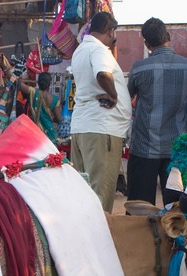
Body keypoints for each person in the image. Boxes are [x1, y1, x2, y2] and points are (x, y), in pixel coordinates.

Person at [126, 17, 187, 206]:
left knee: (140, 207)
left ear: (147, 44)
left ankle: (141, 236)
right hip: (177, 149)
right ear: (168, 36)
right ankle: (175, 236)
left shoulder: (139, 68)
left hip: (144, 146)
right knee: (176, 207)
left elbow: (129, 96)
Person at [70, 11, 132, 212]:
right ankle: (99, 241)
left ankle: (83, 240)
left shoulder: (81, 50)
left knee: (82, 191)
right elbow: (102, 74)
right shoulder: (99, 50)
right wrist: (114, 95)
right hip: (101, 129)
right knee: (100, 194)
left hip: (84, 127)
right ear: (109, 30)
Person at [14, 72, 62, 143]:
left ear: (38, 82)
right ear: (49, 83)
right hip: (49, 135)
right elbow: (59, 119)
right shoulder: (54, 99)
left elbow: (17, 82)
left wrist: (4, 67)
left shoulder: (32, 92)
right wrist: (49, 117)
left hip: (34, 133)